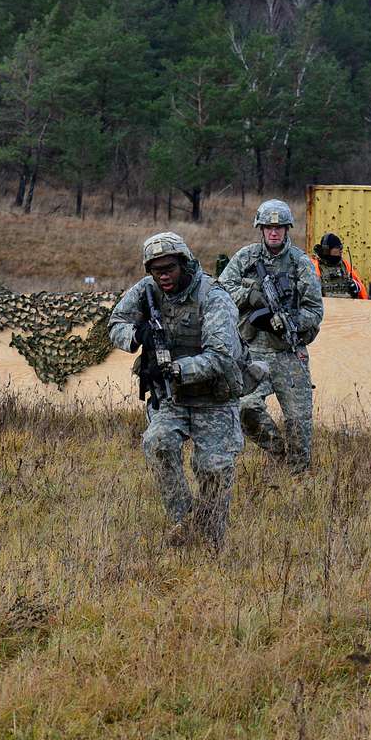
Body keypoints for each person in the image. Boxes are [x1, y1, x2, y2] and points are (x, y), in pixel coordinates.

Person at [108, 232, 245, 548]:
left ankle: (209, 539)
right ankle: (184, 522)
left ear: (184, 263)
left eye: (168, 267)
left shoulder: (214, 296)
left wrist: (177, 368)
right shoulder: (147, 292)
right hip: (172, 398)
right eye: (155, 270)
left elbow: (223, 357)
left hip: (215, 397)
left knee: (213, 468)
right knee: (157, 443)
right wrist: (138, 335)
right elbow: (115, 323)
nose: (163, 275)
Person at [220, 200, 325, 474]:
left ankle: (298, 475)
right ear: (261, 229)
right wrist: (250, 296)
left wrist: (290, 321)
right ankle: (276, 449)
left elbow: (315, 310)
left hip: (289, 352)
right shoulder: (246, 258)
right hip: (254, 350)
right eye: (268, 227)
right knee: (245, 406)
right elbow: (220, 291)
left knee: (299, 420)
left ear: (287, 229)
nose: (274, 233)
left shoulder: (301, 263)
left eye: (279, 227)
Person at [313, 232, 368, 299]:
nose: (341, 250)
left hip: (347, 307)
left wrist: (357, 288)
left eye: (341, 247)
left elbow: (362, 292)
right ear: (327, 250)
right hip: (324, 307)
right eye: (338, 247)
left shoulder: (345, 264)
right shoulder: (315, 266)